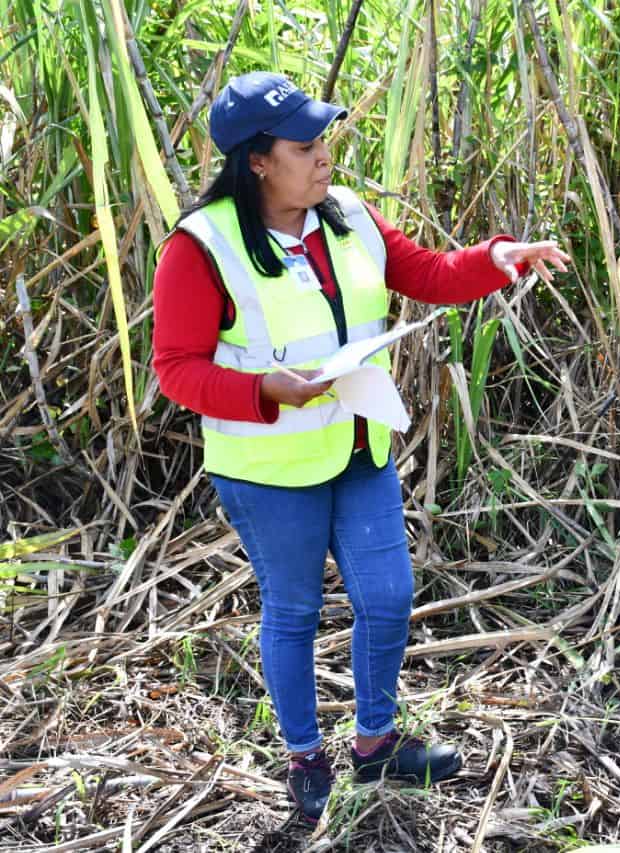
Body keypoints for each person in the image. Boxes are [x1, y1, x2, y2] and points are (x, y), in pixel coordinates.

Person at [152, 71, 570, 823]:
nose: (324, 157)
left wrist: (498, 258)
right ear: (256, 161)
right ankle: (306, 757)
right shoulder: (202, 246)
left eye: (323, 141)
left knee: (388, 596)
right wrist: (264, 392)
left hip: (358, 444)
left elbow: (429, 273)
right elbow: (176, 370)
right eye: (305, 145)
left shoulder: (346, 214)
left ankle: (376, 746)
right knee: (294, 610)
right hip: (269, 467)